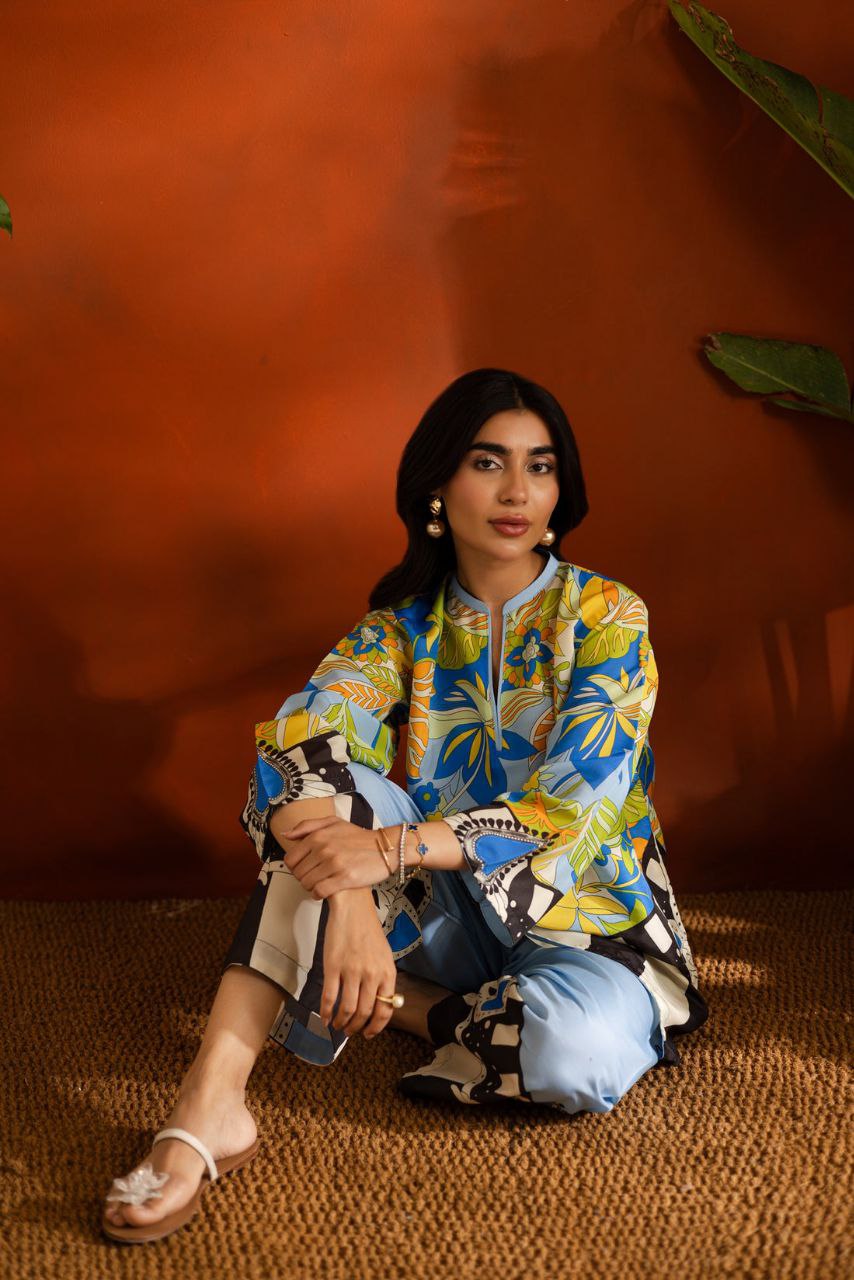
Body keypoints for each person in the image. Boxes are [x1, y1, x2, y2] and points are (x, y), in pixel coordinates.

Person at [102, 367, 709, 1243]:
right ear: (437, 487)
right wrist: (349, 889)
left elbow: (573, 810)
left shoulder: (607, 615)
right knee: (318, 787)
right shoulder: (398, 630)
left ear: (560, 489)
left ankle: (405, 1005)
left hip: (588, 920)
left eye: (540, 466)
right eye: (488, 462)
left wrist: (383, 853)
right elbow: (296, 746)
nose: (517, 491)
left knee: (571, 1058)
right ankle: (210, 1104)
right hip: (437, 911)